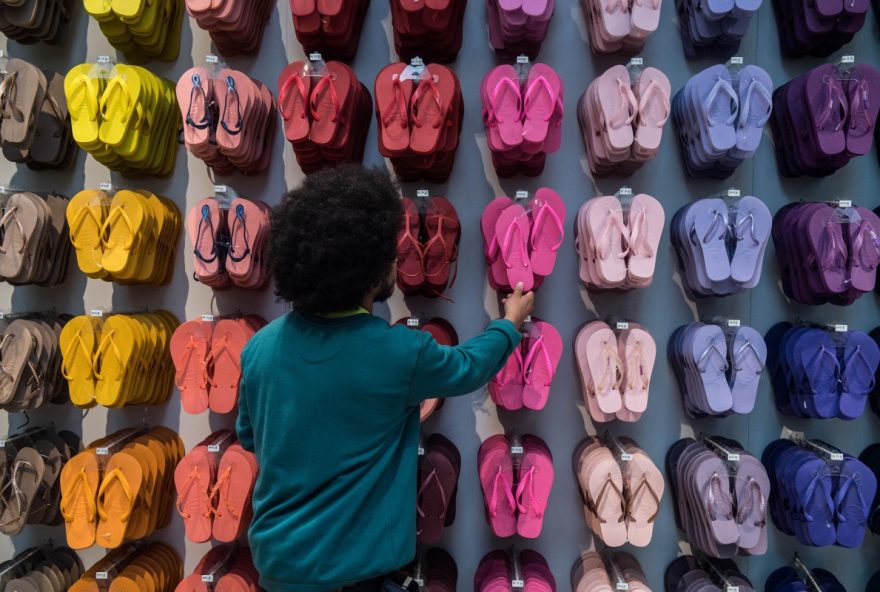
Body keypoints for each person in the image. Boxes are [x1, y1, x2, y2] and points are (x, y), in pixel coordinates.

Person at [236, 165, 535, 592]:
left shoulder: (258, 349)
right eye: (389, 253)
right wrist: (509, 323)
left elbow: (250, 439)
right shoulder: (398, 353)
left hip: (277, 569)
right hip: (355, 574)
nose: (398, 259)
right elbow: (468, 367)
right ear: (371, 271)